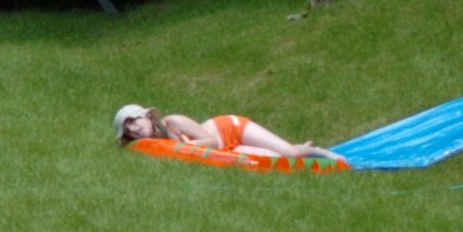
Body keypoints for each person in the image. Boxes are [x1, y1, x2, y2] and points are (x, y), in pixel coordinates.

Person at [114, 103, 344, 163]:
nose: (134, 129)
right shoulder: (155, 146)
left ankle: (316, 150)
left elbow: (212, 142)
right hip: (227, 148)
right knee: (276, 160)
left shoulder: (174, 122)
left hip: (231, 129)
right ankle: (297, 148)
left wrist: (182, 148)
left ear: (146, 116)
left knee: (291, 154)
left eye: (134, 121)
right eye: (128, 130)